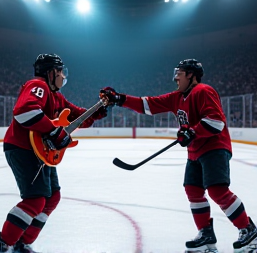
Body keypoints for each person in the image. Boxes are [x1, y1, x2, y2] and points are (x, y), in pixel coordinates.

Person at [100, 59, 257, 253]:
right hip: (195, 151)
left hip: (214, 148)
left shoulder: (203, 91)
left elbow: (217, 123)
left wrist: (192, 131)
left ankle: (248, 229)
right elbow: (148, 105)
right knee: (192, 189)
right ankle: (206, 233)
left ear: (191, 75)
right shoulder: (177, 97)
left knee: (217, 190)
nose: (176, 77)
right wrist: (119, 99)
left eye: (180, 73)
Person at [0, 53, 108, 253]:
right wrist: (53, 132)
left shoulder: (56, 96)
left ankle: (22, 243)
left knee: (52, 197)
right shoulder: (39, 85)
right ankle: (3, 244)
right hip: (23, 148)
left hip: (40, 153)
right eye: (60, 71)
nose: (63, 76)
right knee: (35, 199)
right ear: (50, 72)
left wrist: (100, 108)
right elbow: (24, 111)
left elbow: (78, 117)